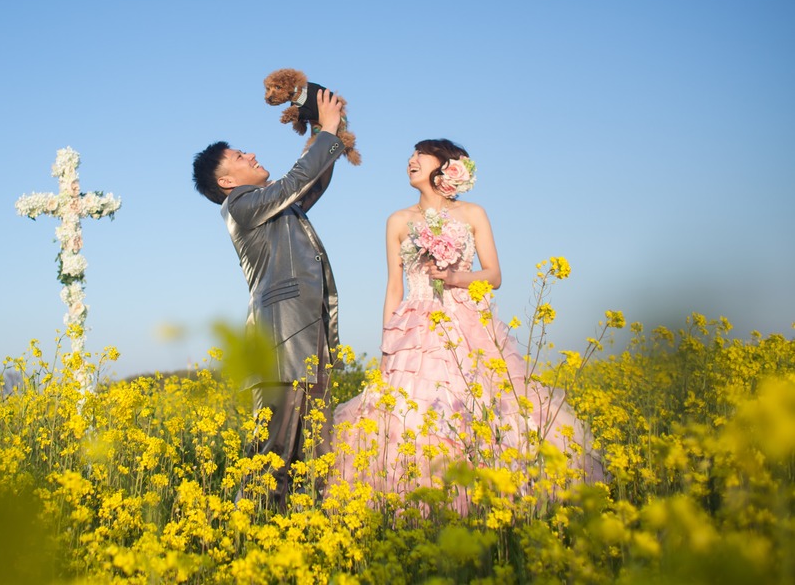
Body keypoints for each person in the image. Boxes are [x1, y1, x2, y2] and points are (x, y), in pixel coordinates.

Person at [331, 139, 601, 505]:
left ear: (446, 166)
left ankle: (489, 499)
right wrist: (387, 347)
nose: (411, 160)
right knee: (411, 414)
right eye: (410, 156)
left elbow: (494, 275)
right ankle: (415, 503)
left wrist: (454, 278)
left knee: (485, 408)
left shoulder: (473, 214)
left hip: (468, 322)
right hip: (415, 326)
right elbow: (394, 287)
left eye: (420, 155)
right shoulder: (397, 220)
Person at [192, 88, 348, 511]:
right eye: (241, 156)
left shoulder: (273, 206)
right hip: (280, 340)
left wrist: (320, 125)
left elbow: (309, 185)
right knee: (273, 447)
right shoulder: (240, 204)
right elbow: (297, 181)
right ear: (226, 181)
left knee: (314, 447)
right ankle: (248, 530)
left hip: (306, 329)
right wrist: (327, 133)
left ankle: (301, 530)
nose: (252, 155)